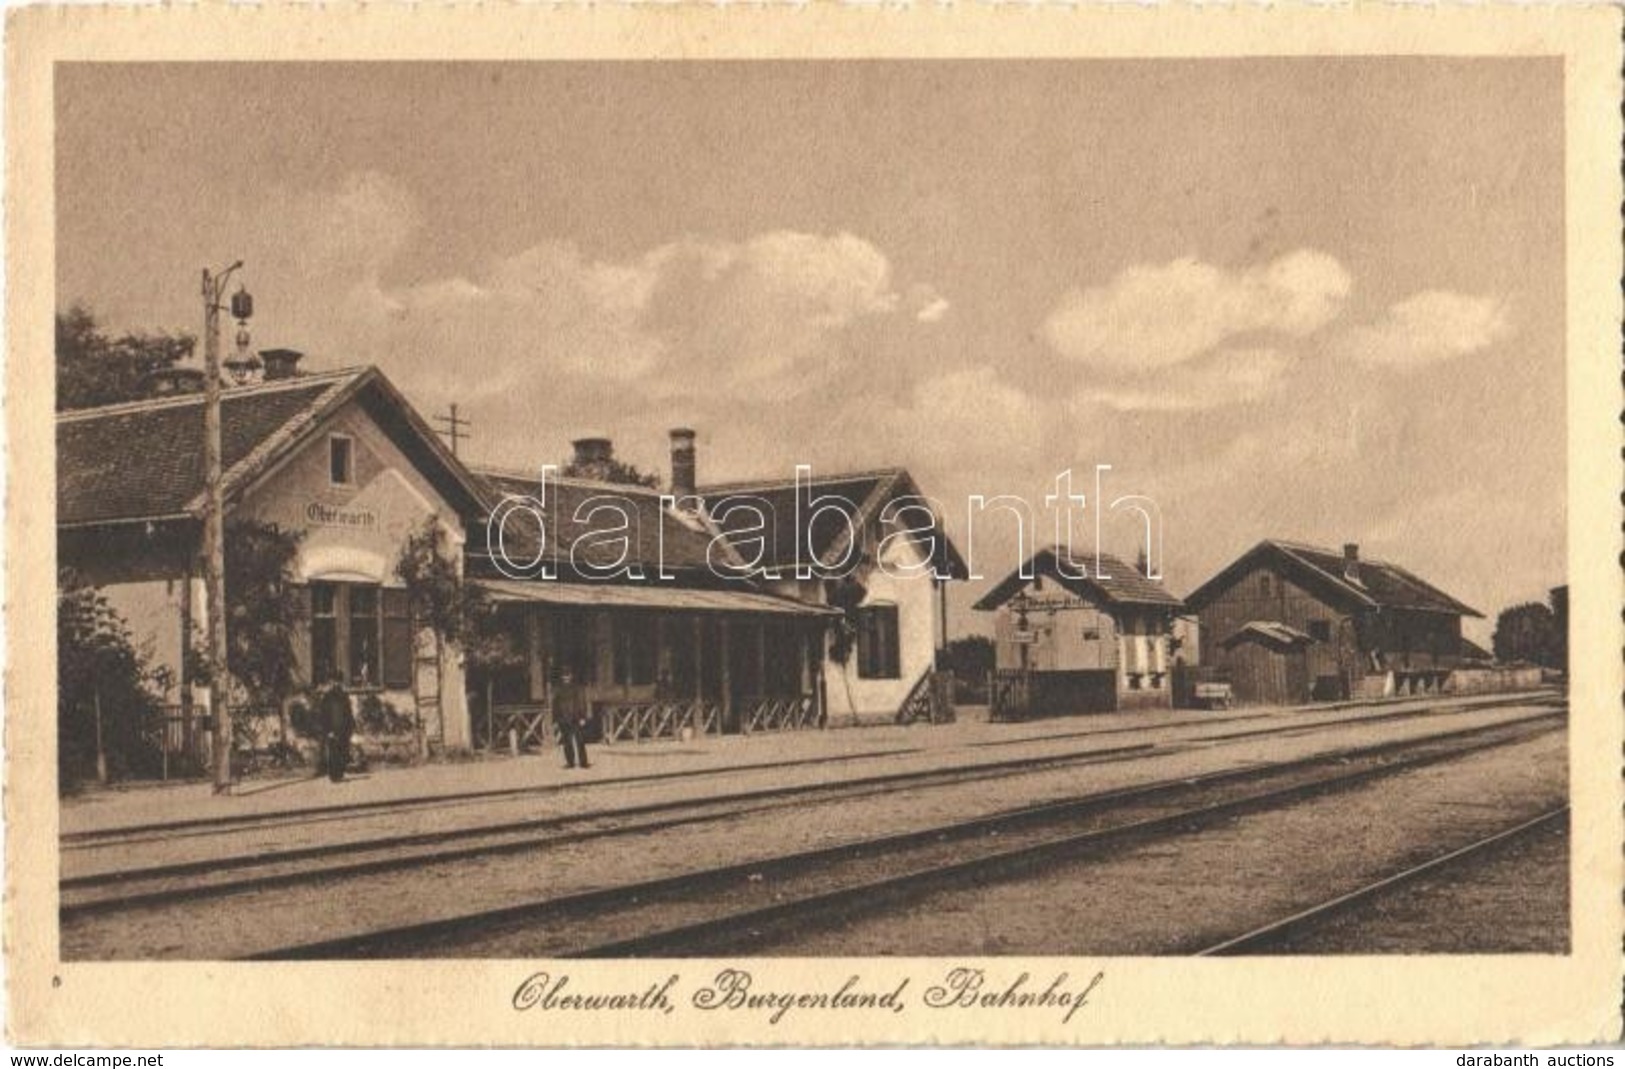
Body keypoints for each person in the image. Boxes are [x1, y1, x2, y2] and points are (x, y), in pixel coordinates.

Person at [317, 674, 356, 783]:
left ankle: (340, 773)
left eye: (338, 682)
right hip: (332, 729)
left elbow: (348, 712)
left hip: (342, 728)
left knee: (342, 751)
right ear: (331, 682)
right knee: (333, 752)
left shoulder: (344, 696)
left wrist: (350, 727)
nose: (336, 684)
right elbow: (323, 714)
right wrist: (328, 730)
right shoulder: (327, 697)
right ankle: (334, 776)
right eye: (334, 681)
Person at [553, 668, 591, 770]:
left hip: (576, 718)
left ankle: (583, 762)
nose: (566, 678)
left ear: (571, 676)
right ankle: (570, 762)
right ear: (562, 677)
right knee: (566, 742)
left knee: (580, 740)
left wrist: (582, 717)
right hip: (563, 719)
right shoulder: (558, 690)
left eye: (568, 676)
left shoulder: (577, 688)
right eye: (564, 676)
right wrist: (556, 719)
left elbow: (581, 702)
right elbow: (555, 705)